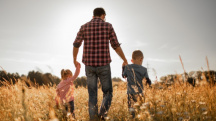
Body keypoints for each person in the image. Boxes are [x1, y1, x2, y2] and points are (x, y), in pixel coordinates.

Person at [73, 7, 128, 120]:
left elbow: (76, 44)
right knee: (107, 92)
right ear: (103, 15)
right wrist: (125, 59)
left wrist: (75, 59)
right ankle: (102, 115)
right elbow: (116, 46)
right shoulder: (108, 26)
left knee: (92, 94)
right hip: (104, 65)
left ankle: (94, 119)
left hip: (89, 66)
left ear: (93, 16)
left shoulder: (84, 27)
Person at [122, 50, 151, 118]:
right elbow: (148, 82)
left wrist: (123, 67)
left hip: (130, 93)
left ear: (132, 60)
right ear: (141, 59)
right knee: (140, 110)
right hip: (140, 93)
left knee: (131, 111)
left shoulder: (127, 67)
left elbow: (124, 76)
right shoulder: (144, 69)